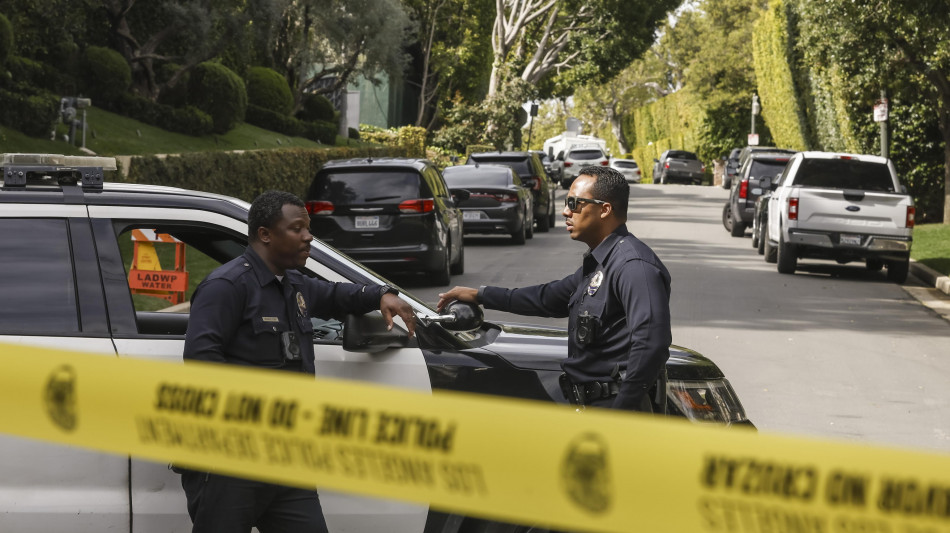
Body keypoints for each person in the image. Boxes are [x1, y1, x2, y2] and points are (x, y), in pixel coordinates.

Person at [181, 190, 416, 532]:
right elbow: (202, 366)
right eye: (297, 229)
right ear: (265, 234)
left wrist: (382, 293)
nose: (308, 237)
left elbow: (338, 295)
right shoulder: (227, 286)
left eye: (308, 228)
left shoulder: (293, 283)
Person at [438, 166, 671, 412]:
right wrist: (481, 295)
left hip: (615, 411)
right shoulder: (601, 263)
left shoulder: (634, 266)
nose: (565, 211)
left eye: (574, 203)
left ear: (604, 210)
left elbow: (651, 344)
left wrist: (620, 414)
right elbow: (547, 298)